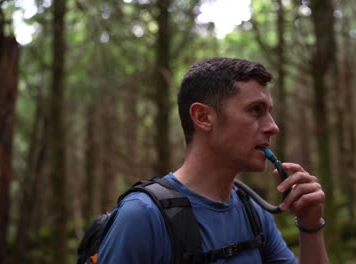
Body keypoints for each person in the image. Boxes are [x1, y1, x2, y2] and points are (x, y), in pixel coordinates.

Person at [98, 57, 328, 263]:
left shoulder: (254, 213)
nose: (273, 127)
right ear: (203, 117)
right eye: (255, 110)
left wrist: (310, 227)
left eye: (269, 112)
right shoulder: (142, 217)